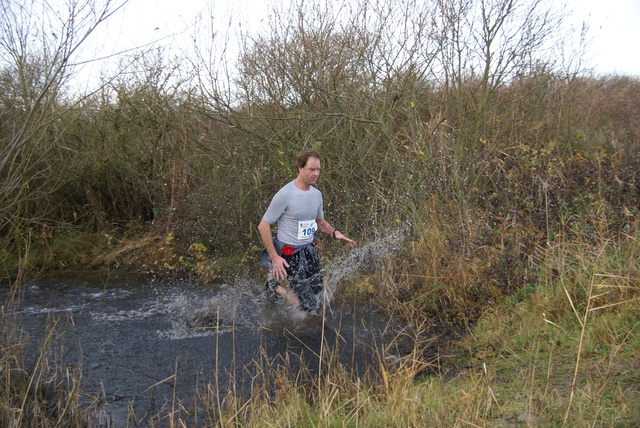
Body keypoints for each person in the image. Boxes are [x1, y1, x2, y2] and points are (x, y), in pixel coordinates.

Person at [258, 148, 356, 315]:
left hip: (309, 250)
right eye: (311, 169)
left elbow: (319, 222)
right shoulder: (285, 194)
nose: (315, 173)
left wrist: (335, 233)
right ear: (300, 168)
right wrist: (275, 258)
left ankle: (287, 297)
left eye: (318, 169)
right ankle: (276, 288)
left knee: (318, 296)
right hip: (289, 255)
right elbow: (263, 226)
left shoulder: (316, 195)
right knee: (309, 307)